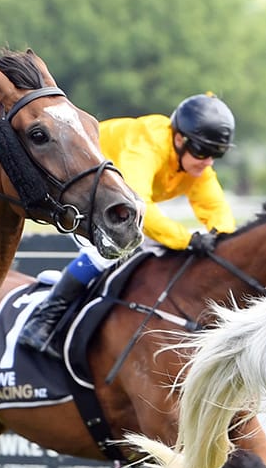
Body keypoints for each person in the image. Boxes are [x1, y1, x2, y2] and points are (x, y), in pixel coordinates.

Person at [19, 92, 237, 357]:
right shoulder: (147, 143)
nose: (208, 161)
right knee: (107, 253)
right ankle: (44, 319)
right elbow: (139, 208)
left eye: (217, 154)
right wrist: (188, 239)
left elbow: (217, 211)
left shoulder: (197, 167)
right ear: (179, 139)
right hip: (83, 191)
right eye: (203, 151)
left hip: (114, 201)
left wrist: (225, 244)